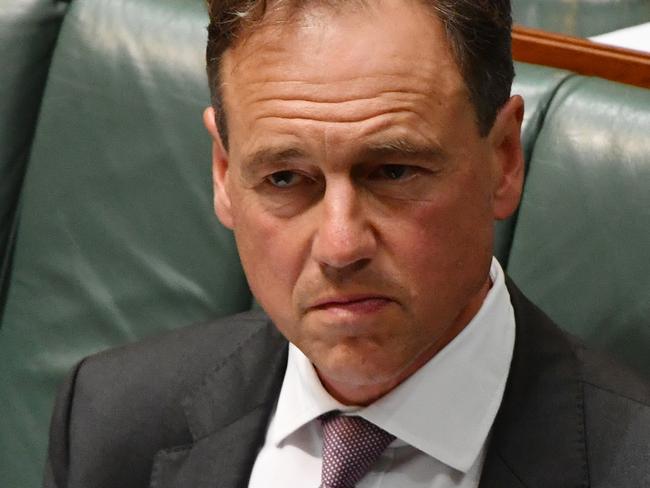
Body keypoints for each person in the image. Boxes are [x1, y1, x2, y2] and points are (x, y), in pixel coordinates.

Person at [43, 0, 650, 487]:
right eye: (285, 179)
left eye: (393, 171)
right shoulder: (109, 421)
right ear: (225, 175)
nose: (339, 246)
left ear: (504, 159)